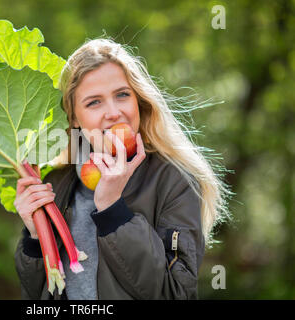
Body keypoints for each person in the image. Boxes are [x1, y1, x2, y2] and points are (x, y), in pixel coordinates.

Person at [13, 38, 232, 300]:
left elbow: (176, 294)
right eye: (94, 102)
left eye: (122, 95)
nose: (113, 112)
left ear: (139, 100)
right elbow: (36, 296)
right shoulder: (55, 184)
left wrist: (113, 210)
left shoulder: (175, 181)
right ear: (74, 118)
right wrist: (36, 238)